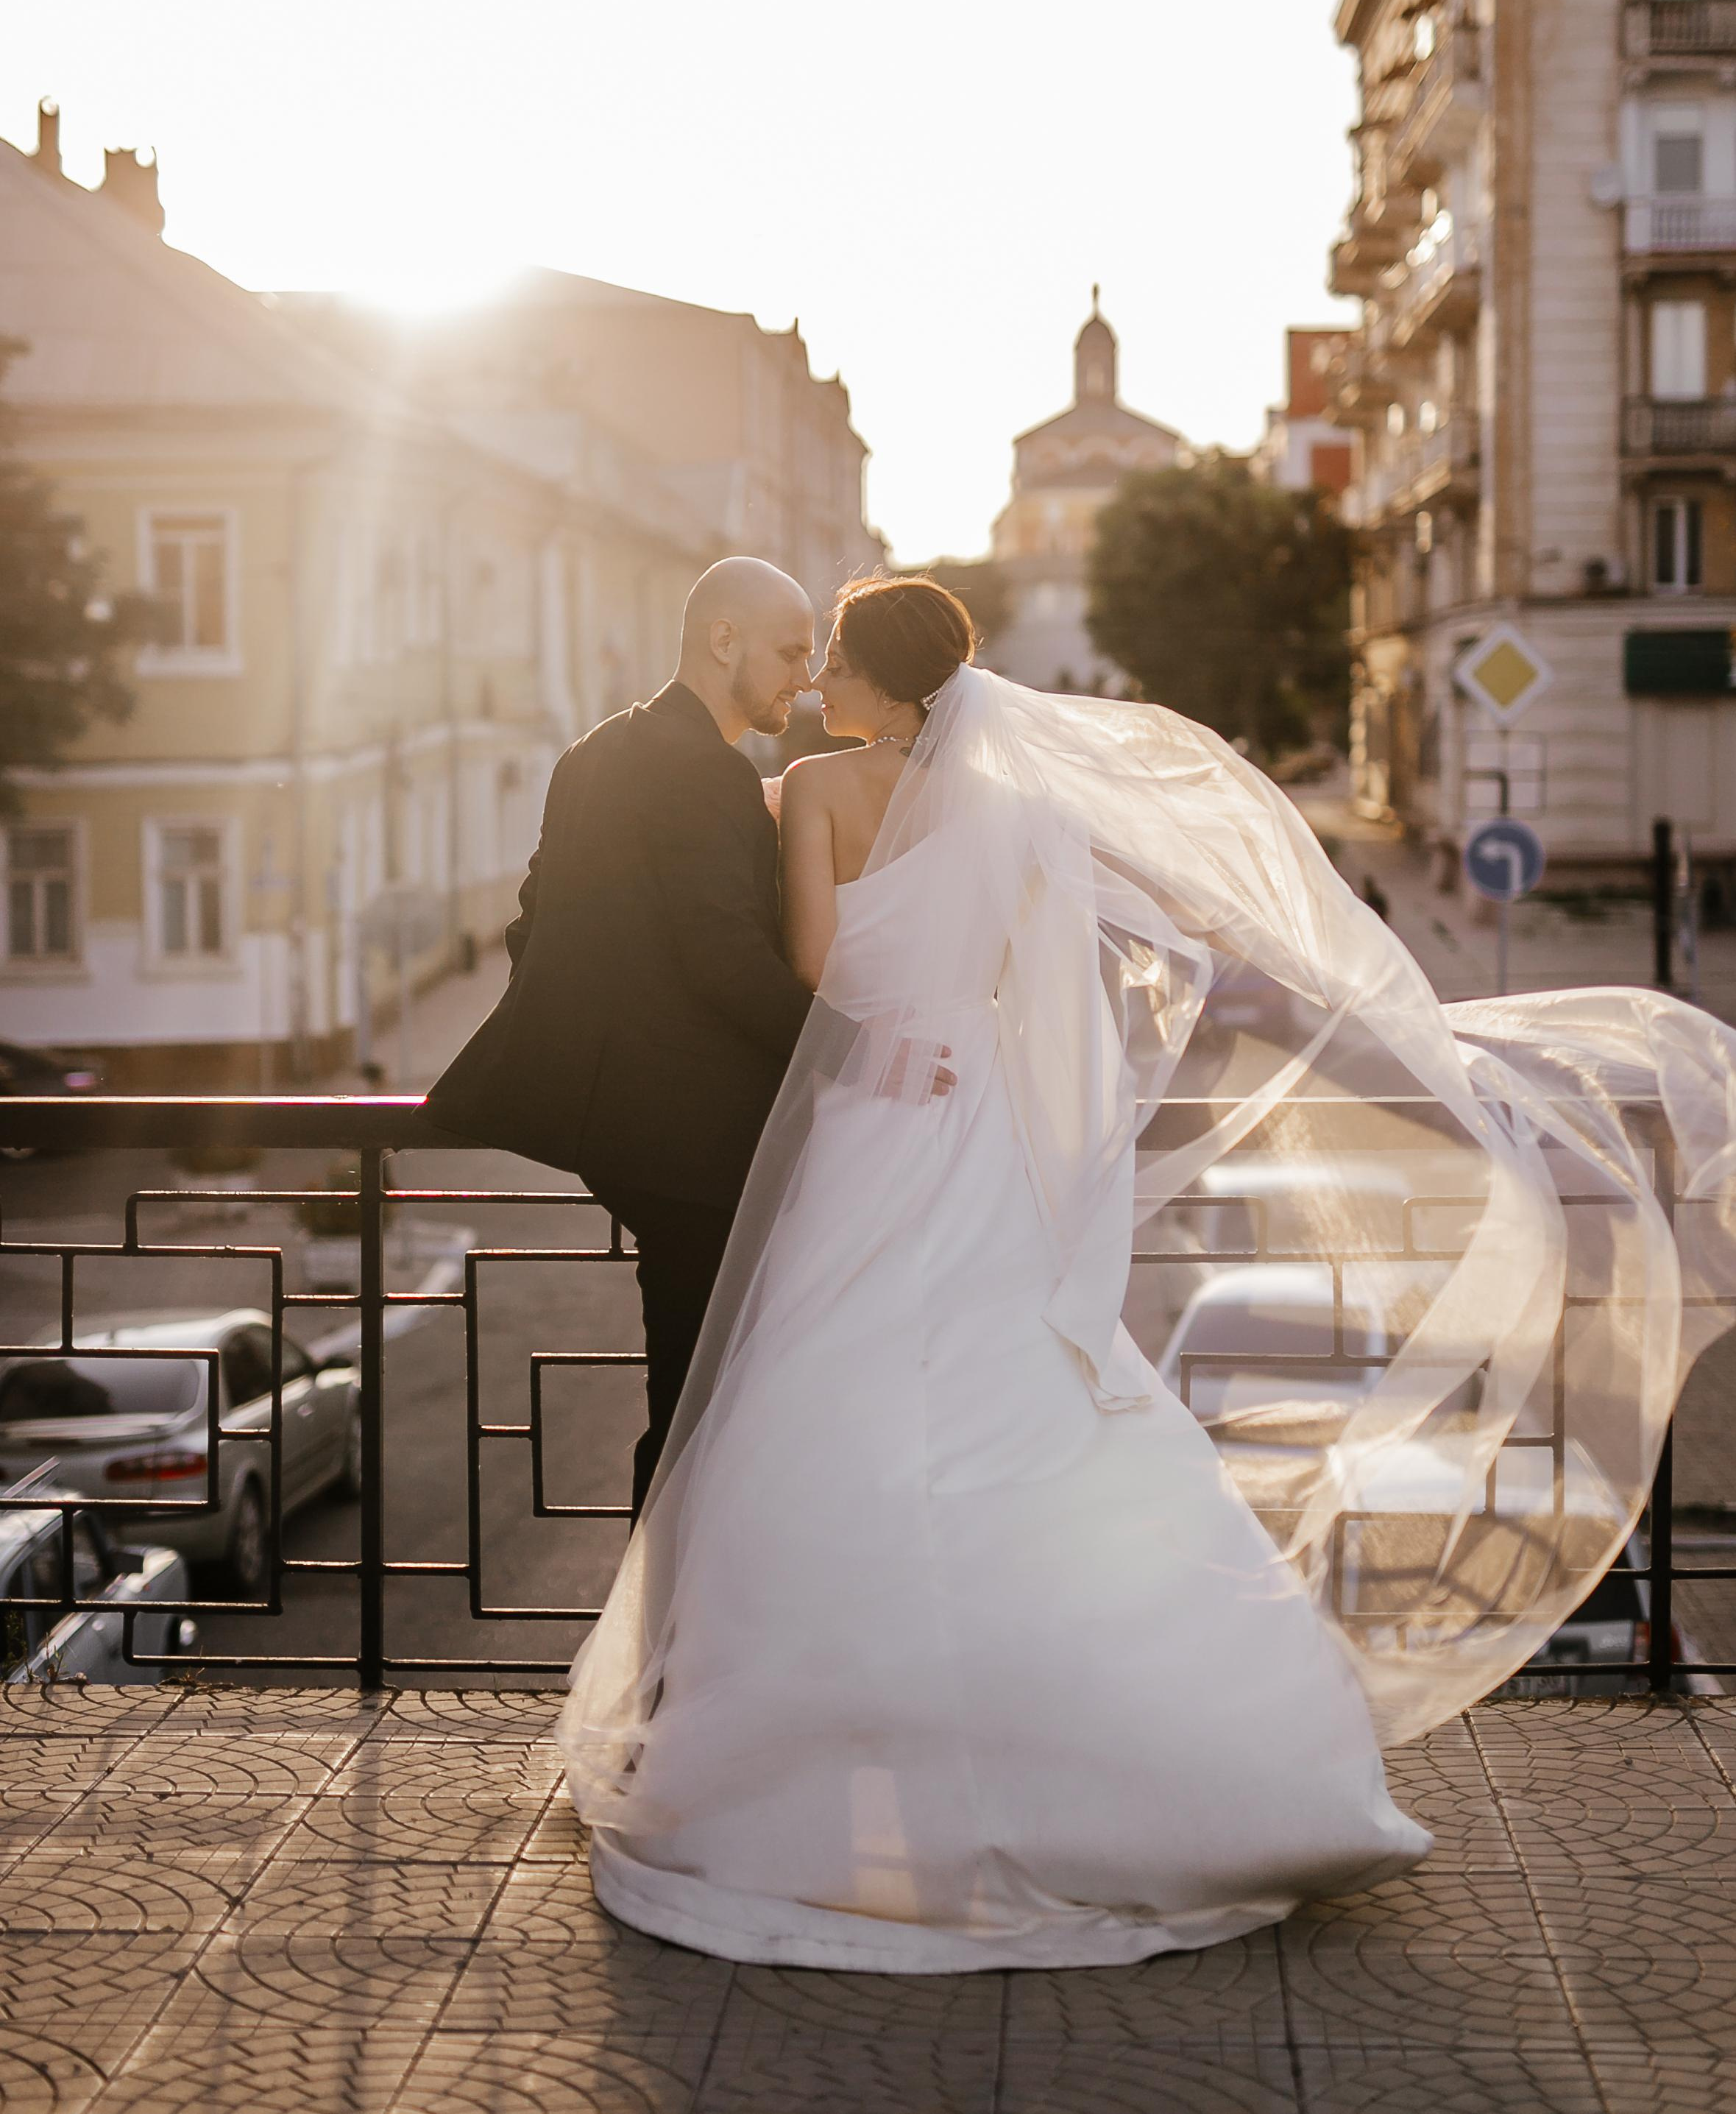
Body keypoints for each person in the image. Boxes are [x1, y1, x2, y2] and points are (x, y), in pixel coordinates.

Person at [557, 571, 1736, 1971]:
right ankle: (1189, 1761)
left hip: (871, 1121)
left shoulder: (807, 790)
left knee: (826, 1400)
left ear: (876, 683)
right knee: (1027, 1397)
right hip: (980, 1124)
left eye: (832, 664)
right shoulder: (1025, 809)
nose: (815, 682)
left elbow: (816, 962)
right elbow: (1058, 979)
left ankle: (825, 1742)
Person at [426, 558, 828, 1515]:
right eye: (790, 650)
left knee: (694, 1402)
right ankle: (666, 1637)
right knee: (707, 1412)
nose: (804, 676)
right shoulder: (707, 772)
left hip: (634, 1137)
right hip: (694, 1152)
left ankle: (666, 1635)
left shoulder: (595, 749)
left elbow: (532, 920)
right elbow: (722, 954)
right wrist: (853, 1046)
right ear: (722, 639)